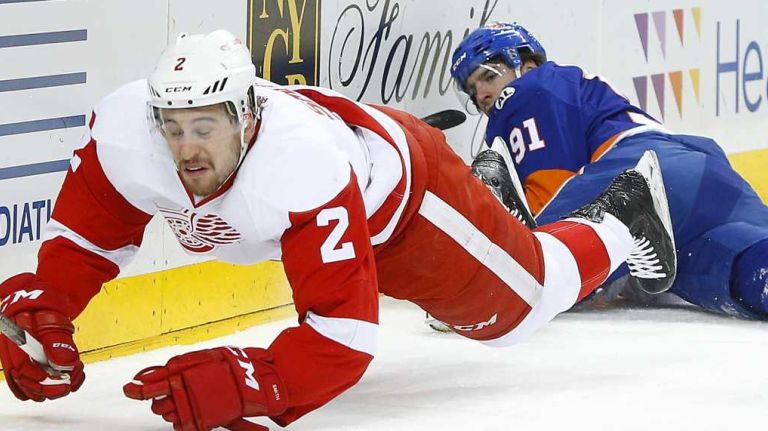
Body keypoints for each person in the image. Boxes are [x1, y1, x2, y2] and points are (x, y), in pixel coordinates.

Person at [0, 30, 675, 430]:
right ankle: (512, 212)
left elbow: (344, 339)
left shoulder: (300, 164)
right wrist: (44, 315)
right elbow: (85, 241)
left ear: (247, 117)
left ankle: (623, 213)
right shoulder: (125, 135)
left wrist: (257, 381)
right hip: (338, 179)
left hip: (407, 204)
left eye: (205, 127)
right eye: (172, 128)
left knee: (521, 310)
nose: (186, 150)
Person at [450, 22, 768, 319]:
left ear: (527, 65)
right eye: (472, 89)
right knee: (744, 272)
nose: (482, 94)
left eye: (489, 76)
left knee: (523, 273)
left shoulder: (528, 90)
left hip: (638, 173)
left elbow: (548, 197)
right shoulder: (565, 88)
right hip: (706, 181)